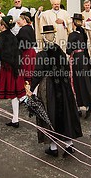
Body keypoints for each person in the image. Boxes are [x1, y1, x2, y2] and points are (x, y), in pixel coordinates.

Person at [30, 24, 82, 157]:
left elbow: (38, 73)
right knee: (65, 112)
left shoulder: (42, 54)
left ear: (44, 37)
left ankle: (53, 147)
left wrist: (31, 88)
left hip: (49, 87)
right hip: (63, 86)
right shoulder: (60, 51)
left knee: (50, 114)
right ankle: (69, 144)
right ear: (53, 36)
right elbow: (66, 68)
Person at [0, 15, 25, 127]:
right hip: (13, 67)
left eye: (0, 24)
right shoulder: (13, 36)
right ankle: (15, 119)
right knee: (14, 94)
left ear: (3, 26)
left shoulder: (1, 36)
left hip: (3, 67)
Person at [67, 13, 91, 119]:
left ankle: (78, 105)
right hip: (84, 58)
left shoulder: (72, 35)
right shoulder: (83, 33)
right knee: (86, 80)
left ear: (73, 23)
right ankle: (89, 103)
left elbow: (68, 50)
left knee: (76, 82)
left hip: (77, 59)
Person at [16, 12, 37, 83]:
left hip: (26, 53)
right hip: (31, 51)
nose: (17, 22)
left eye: (19, 20)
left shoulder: (23, 30)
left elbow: (24, 43)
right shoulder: (29, 28)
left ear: (24, 20)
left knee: (26, 71)